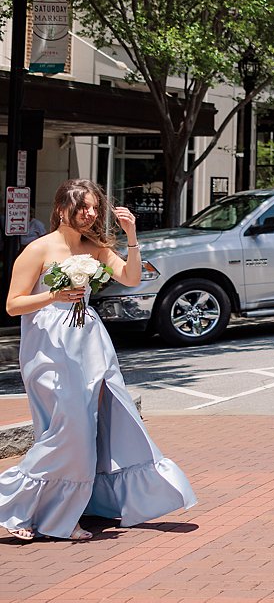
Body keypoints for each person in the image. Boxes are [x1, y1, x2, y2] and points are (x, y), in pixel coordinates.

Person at [0, 180, 196, 542]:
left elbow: (131, 277)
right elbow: (13, 304)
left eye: (94, 208)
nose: (90, 214)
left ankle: (56, 510)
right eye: (83, 207)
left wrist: (131, 236)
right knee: (68, 430)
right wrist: (54, 295)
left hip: (89, 343)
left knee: (94, 428)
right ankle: (15, 503)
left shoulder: (95, 248)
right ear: (62, 209)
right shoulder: (38, 249)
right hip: (49, 347)